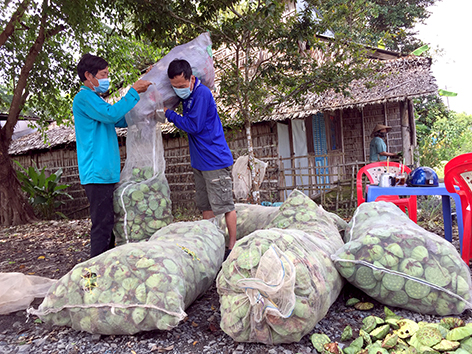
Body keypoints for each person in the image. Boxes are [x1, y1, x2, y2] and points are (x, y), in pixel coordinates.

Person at [73, 53, 151, 258]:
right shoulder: (84, 97)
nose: (107, 78)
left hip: (105, 171)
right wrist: (133, 91)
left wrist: (144, 112)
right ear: (89, 76)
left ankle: (105, 264)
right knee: (102, 224)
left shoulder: (96, 99)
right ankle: (95, 270)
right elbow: (111, 114)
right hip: (96, 171)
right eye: (104, 74)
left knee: (108, 222)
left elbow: (119, 119)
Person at [163, 59, 237, 258]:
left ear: (192, 79)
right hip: (200, 161)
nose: (178, 89)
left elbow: (193, 126)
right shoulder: (187, 97)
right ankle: (210, 242)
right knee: (205, 206)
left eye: (181, 85)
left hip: (214, 159)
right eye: (174, 86)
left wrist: (169, 114)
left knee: (225, 205)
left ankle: (232, 246)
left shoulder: (202, 93)